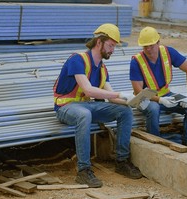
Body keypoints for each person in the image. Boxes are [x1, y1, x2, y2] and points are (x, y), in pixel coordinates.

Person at [53, 23, 143, 188]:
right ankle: (83, 170)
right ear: (99, 42)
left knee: (124, 111)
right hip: (66, 108)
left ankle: (121, 161)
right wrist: (118, 94)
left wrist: (132, 101)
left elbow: (112, 98)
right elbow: (88, 91)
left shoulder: (102, 68)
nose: (112, 50)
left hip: (85, 107)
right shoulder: (77, 60)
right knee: (83, 115)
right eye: (110, 45)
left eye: (114, 46)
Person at [129, 26, 187, 151]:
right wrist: (160, 100)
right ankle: (155, 144)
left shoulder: (168, 52)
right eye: (145, 46)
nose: (148, 49)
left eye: (151, 45)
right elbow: (138, 92)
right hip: (143, 98)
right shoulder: (136, 61)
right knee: (154, 108)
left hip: (166, 94)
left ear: (158, 42)